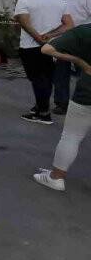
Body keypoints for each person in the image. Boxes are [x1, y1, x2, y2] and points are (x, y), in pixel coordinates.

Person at [32, 25, 91, 191]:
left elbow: (47, 49)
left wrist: (79, 61)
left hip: (87, 93)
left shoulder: (84, 32)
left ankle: (56, 177)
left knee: (72, 135)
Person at [13, 0, 73, 124]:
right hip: (53, 45)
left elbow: (25, 23)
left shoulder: (24, 1)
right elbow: (68, 24)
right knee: (46, 77)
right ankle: (40, 106)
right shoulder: (59, 1)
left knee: (37, 78)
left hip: (30, 46)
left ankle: (43, 113)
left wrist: (38, 38)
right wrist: (50, 35)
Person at [52, 0, 91, 114]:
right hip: (65, 40)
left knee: (85, 74)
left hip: (83, 41)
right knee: (61, 73)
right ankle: (61, 104)